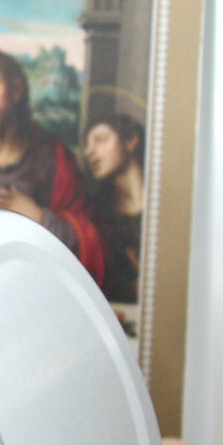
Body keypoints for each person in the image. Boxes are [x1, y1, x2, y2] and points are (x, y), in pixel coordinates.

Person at [0, 48, 104, 285]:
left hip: (35, 284)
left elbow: (88, 238)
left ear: (15, 90)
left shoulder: (52, 156)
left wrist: (40, 218)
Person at [83, 113, 145, 303]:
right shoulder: (97, 212)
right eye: (87, 144)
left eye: (100, 140)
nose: (89, 152)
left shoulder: (164, 200)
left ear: (130, 141)